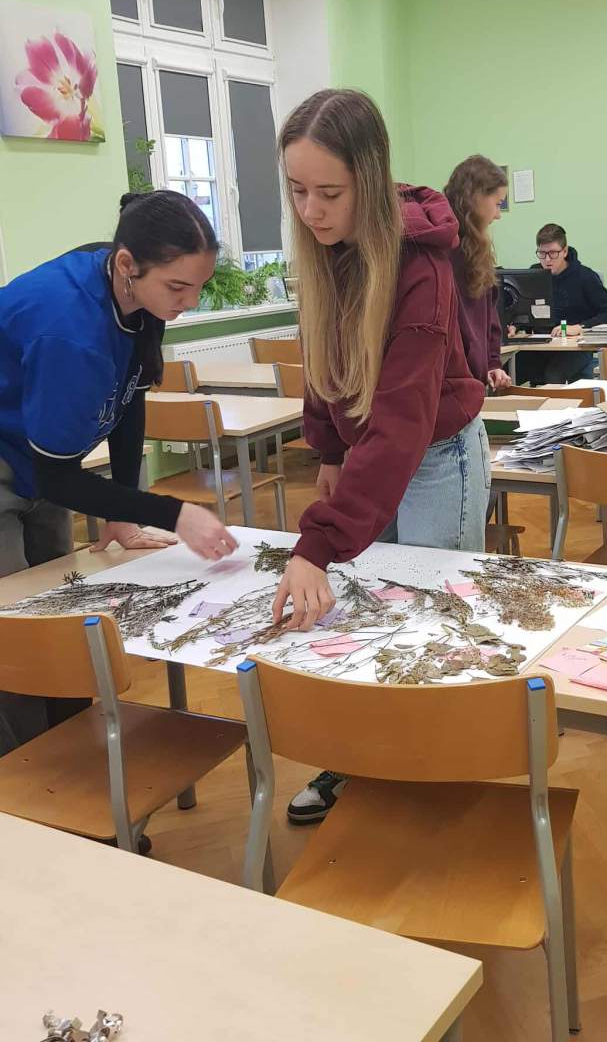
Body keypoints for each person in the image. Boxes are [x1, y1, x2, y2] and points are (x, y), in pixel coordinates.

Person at [271, 89, 489, 822]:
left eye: (329, 193)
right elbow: (322, 361)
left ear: (368, 179)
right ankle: (359, 759)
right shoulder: (325, 249)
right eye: (297, 191)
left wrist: (317, 542)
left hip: (435, 458)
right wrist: (329, 448)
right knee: (365, 615)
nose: (311, 211)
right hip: (372, 454)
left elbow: (401, 423)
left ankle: (438, 778)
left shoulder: (421, 268)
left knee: (432, 621)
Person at [0, 189, 238, 756]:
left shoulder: (130, 287)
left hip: (39, 458)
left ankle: (73, 748)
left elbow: (129, 398)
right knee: (14, 630)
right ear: (128, 265)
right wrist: (176, 513)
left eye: (198, 287)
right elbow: (59, 479)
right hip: (17, 462)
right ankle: (29, 772)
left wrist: (121, 510)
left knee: (61, 612)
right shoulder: (69, 331)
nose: (188, 302)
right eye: (177, 288)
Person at [517, 223, 607, 384]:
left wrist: (579, 327)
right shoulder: (534, 275)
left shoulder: (585, 276)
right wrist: (515, 325)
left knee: (553, 375)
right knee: (504, 372)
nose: (547, 259)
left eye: (553, 253)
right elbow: (523, 310)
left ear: (564, 251)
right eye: (542, 253)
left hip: (575, 348)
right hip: (540, 345)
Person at [443, 154, 511, 391]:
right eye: (498, 203)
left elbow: (489, 317)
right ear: (477, 197)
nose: (498, 215)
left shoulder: (478, 251)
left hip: (473, 383)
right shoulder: (443, 250)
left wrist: (492, 363)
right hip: (453, 384)